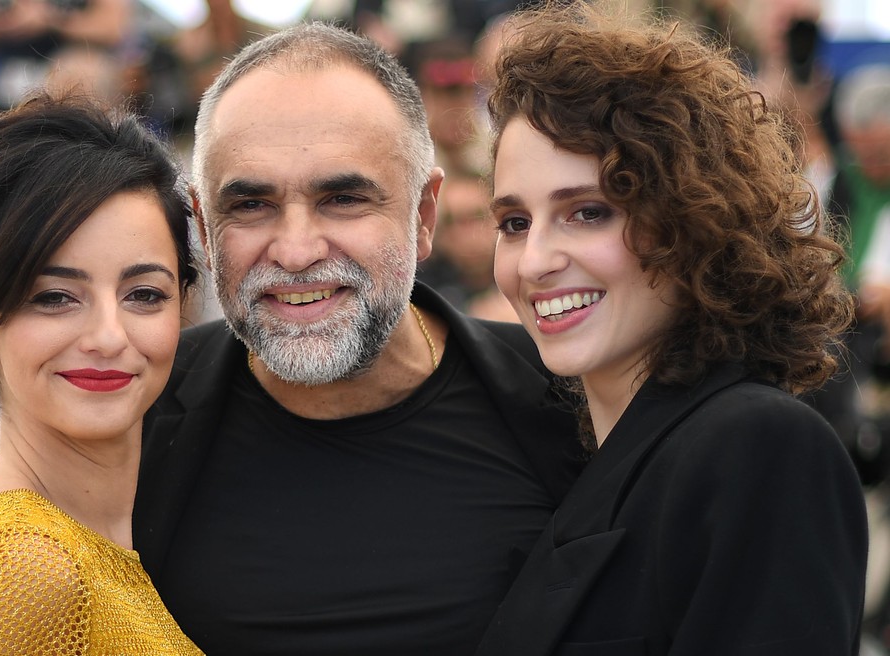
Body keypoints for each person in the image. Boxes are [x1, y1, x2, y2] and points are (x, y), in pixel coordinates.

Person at [133, 21, 585, 656]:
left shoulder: (571, 408)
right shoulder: (136, 416)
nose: (295, 251)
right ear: (205, 233)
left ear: (424, 215)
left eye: (343, 199)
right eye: (252, 205)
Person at [476, 3, 868, 654]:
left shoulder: (758, 446)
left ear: (693, 222)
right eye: (514, 223)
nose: (536, 260)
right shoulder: (568, 457)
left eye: (589, 212)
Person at [0, 92, 204, 654]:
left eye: (144, 294)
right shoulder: (19, 571)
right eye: (55, 297)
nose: (109, 336)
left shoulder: (86, 552)